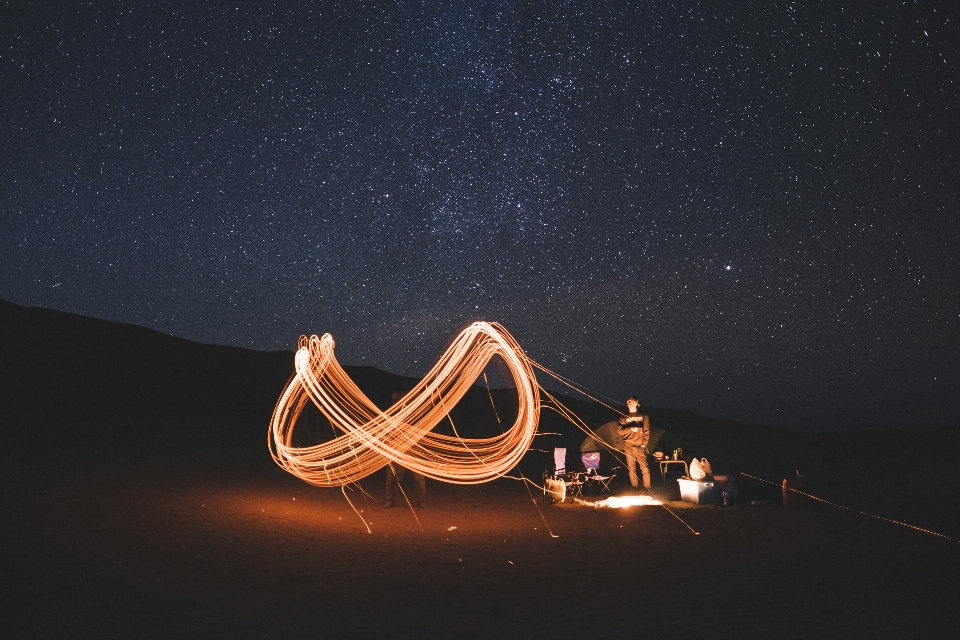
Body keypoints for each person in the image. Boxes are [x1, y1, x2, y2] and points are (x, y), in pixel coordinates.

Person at [382, 391, 427, 508]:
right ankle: (390, 500)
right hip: (398, 448)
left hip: (414, 448)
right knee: (392, 476)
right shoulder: (395, 417)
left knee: (419, 478)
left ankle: (421, 501)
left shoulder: (416, 415)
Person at [618, 396, 651, 490]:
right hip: (628, 446)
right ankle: (635, 489)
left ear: (636, 403)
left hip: (639, 446)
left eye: (631, 401)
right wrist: (630, 428)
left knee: (645, 469)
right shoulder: (623, 417)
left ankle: (648, 489)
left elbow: (647, 430)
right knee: (632, 469)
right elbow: (620, 431)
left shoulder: (643, 416)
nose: (629, 402)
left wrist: (644, 444)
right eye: (628, 401)